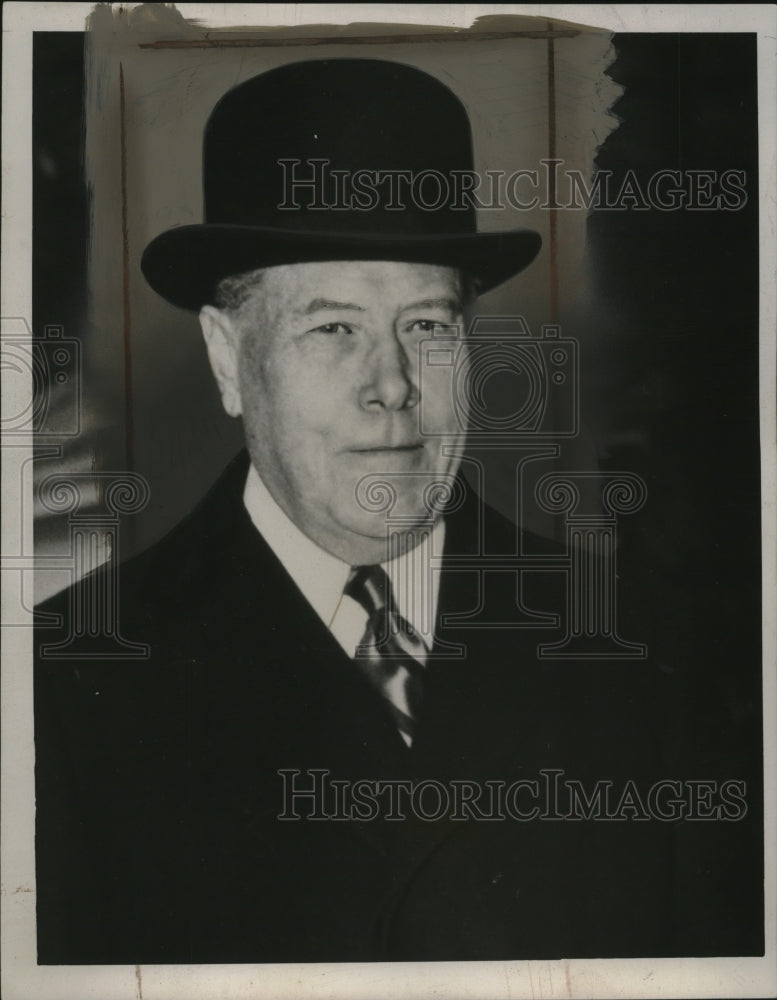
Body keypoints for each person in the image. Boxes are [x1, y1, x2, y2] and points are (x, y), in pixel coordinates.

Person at [34, 58, 672, 964]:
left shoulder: (639, 633)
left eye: (427, 325)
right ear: (227, 357)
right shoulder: (67, 676)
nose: (392, 387)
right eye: (333, 328)